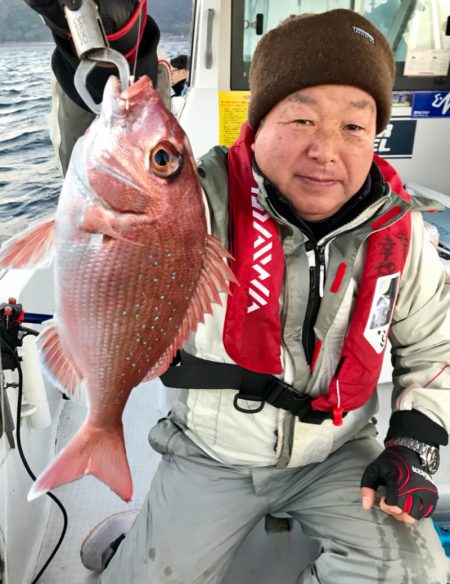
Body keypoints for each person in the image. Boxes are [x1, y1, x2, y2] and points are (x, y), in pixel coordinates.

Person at [22, 3, 450, 583]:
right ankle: (138, 535)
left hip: (340, 454)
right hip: (212, 454)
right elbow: (116, 151)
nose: (326, 150)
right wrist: (110, 48)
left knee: (418, 574)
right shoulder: (199, 199)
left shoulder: (402, 232)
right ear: (258, 123)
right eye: (301, 120)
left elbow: (433, 353)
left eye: (354, 126)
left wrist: (414, 444)